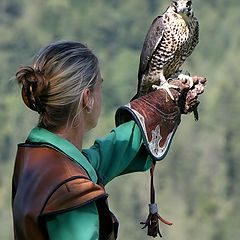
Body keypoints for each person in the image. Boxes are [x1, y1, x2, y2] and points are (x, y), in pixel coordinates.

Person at [12, 40, 205, 240]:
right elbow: (81, 176)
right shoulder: (70, 192)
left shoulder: (37, 160)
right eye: (99, 87)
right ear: (87, 98)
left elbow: (105, 154)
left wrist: (164, 104)